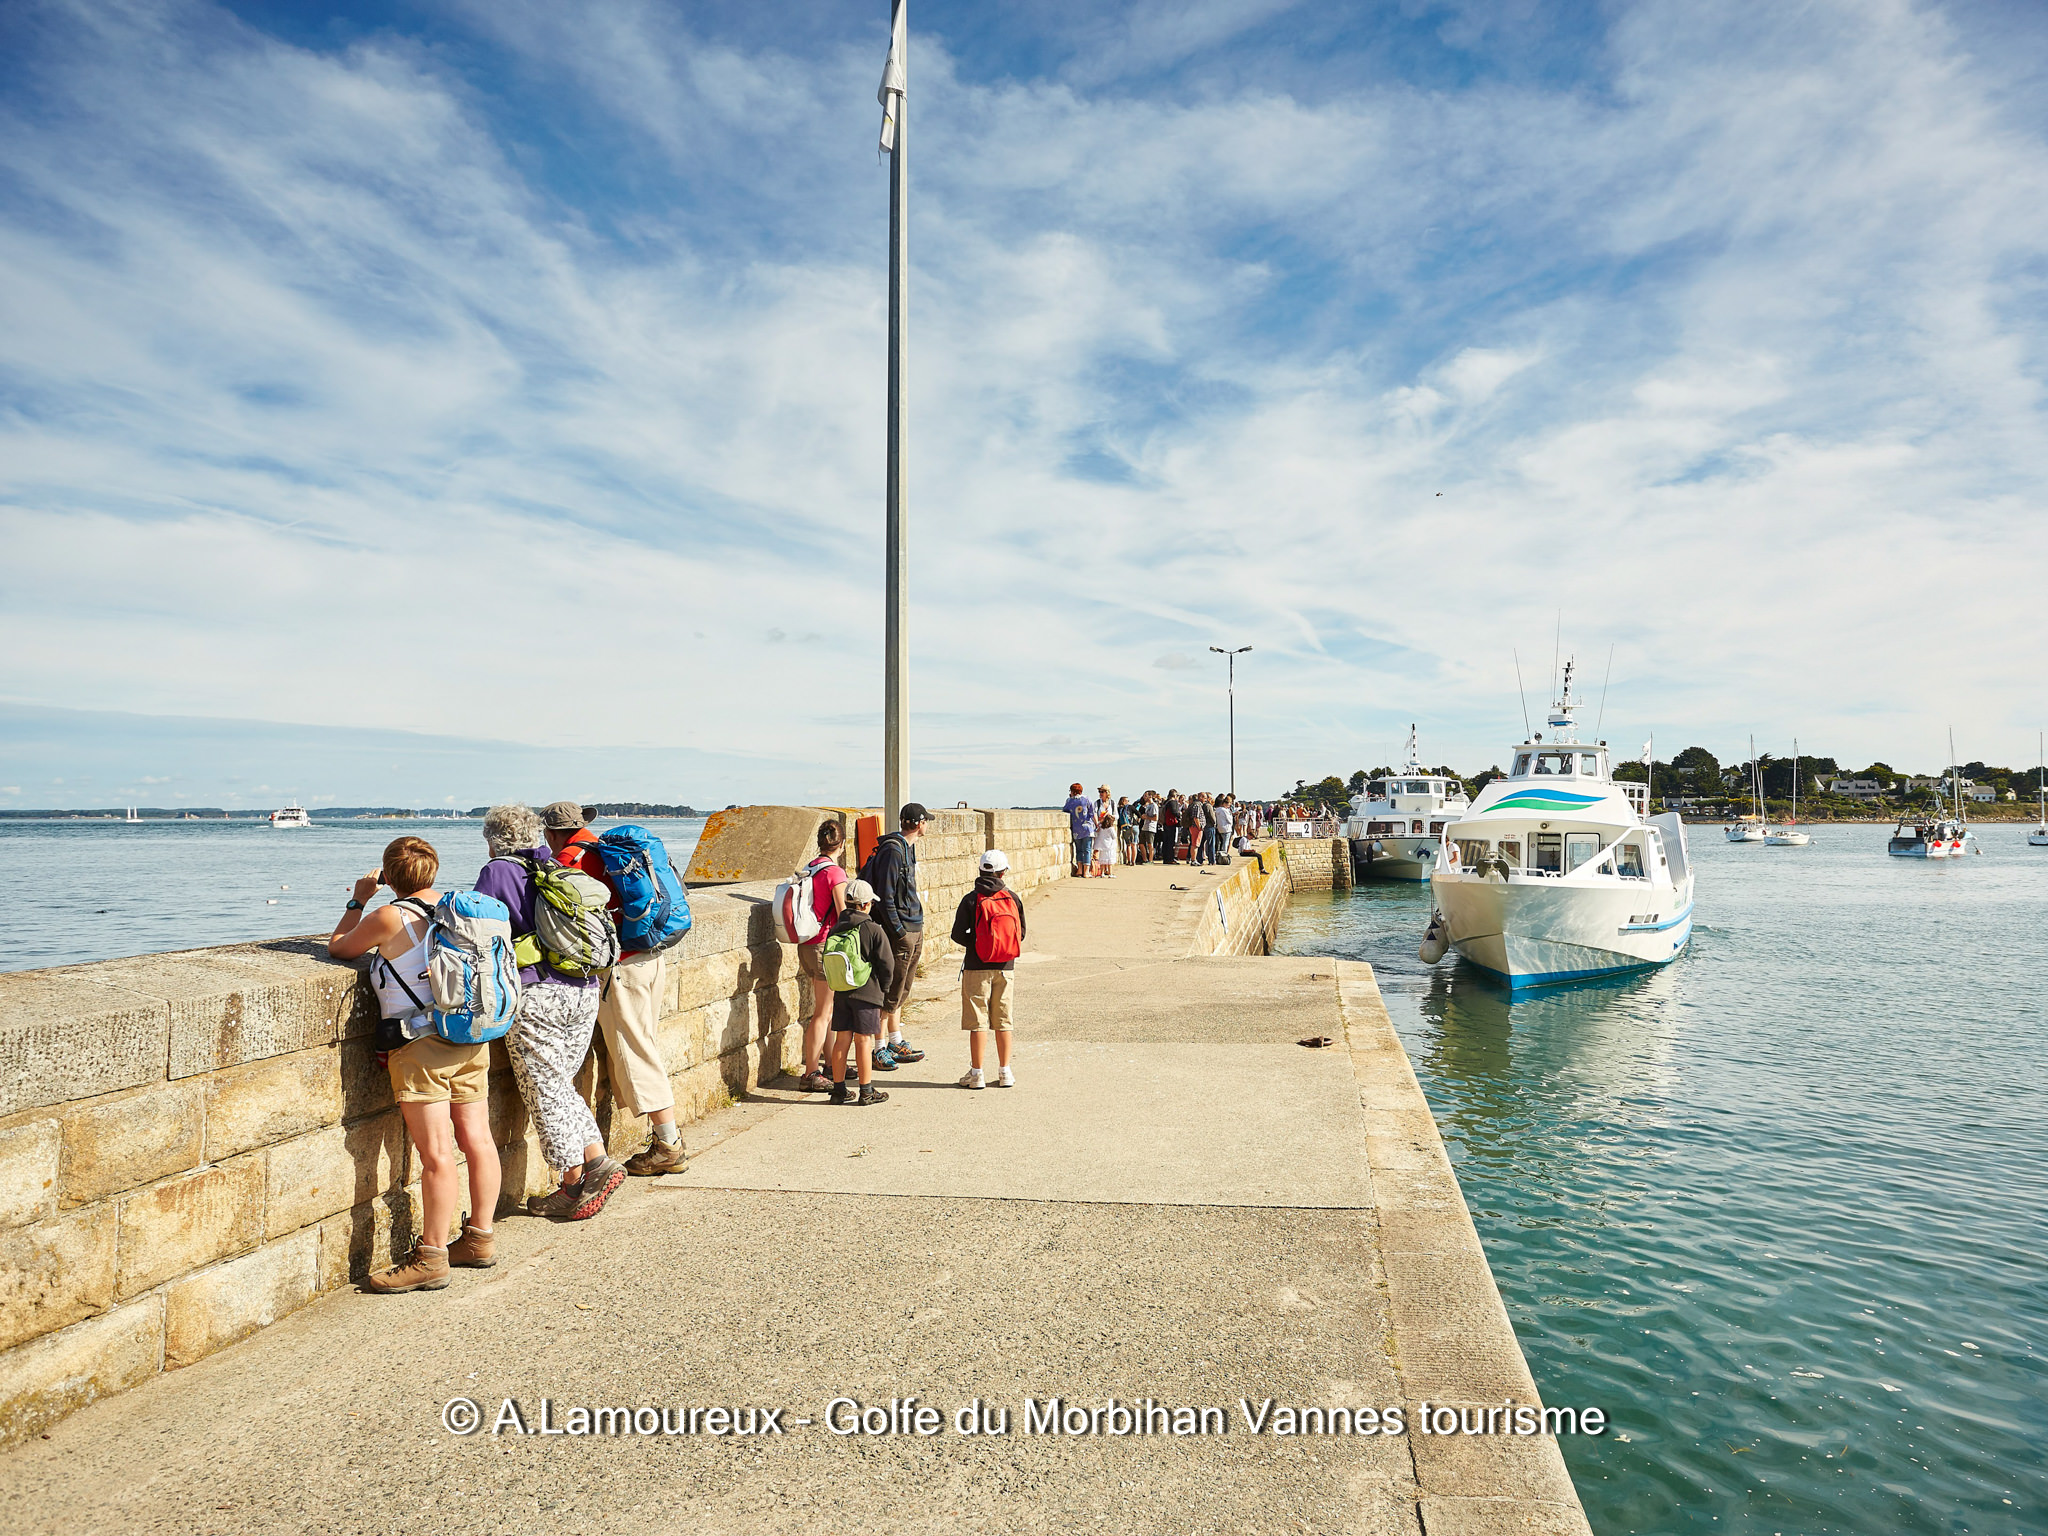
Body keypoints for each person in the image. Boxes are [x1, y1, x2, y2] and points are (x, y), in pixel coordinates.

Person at [328, 836, 501, 1292]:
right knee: (478, 1140)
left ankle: (431, 1257)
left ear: (390, 878)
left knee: (436, 1155)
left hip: (420, 1046)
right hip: (469, 1035)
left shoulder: (389, 915)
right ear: (433, 870)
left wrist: (357, 900)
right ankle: (479, 1239)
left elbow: (341, 948)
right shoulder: (461, 908)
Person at [474, 804, 624, 1221]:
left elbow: (481, 931)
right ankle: (595, 1162)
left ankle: (574, 1182)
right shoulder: (552, 862)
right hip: (583, 987)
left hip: (537, 992)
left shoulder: (497, 872)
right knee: (561, 1083)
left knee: (547, 1088)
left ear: (493, 838)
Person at [540, 802, 685, 1177]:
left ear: (551, 833)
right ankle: (667, 1139)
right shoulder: (608, 850)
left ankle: (668, 1144)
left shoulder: (570, 861)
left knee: (636, 1051)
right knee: (644, 1043)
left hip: (621, 968)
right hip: (652, 956)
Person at [860, 803, 929, 1068]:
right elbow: (885, 895)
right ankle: (879, 1048)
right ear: (919, 823)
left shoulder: (906, 848)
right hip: (901, 931)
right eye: (926, 821)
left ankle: (895, 1039)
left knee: (902, 988)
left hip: (913, 927)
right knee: (888, 990)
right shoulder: (893, 850)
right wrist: (898, 931)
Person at [952, 849, 1024, 1089]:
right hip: (1006, 967)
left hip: (976, 966)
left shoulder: (971, 899)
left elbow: (957, 935)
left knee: (978, 1021)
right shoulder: (1012, 898)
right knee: (1003, 1020)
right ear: (1003, 872)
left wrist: (979, 943)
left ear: (981, 870)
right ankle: (1005, 1072)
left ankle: (977, 1073)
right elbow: (1021, 932)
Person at [792, 820, 851, 1092]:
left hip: (807, 943)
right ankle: (810, 1072)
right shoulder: (835, 874)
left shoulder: (812, 868)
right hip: (824, 946)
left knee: (827, 1011)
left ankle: (830, 1065)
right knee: (823, 1012)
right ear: (842, 844)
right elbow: (843, 914)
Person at [825, 879, 895, 1105]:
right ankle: (866, 1091)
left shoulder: (836, 928)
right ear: (865, 904)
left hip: (841, 991)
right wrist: (884, 992)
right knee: (863, 1041)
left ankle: (838, 1091)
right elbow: (887, 965)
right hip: (867, 992)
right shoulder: (873, 929)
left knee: (841, 1040)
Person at [1063, 782, 1095, 877]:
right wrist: (1097, 825)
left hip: (1076, 829)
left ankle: (1079, 870)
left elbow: (1065, 810)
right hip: (1087, 828)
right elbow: (1092, 813)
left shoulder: (1069, 801)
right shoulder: (1086, 799)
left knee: (1079, 850)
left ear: (1072, 791)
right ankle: (1086, 872)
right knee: (1087, 850)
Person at [1090, 786, 1116, 877]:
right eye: (1100, 791)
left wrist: (1109, 816)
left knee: (1107, 850)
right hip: (1100, 828)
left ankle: (1106, 870)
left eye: (1102, 791)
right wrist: (1097, 823)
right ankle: (1098, 869)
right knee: (1097, 849)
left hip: (1108, 827)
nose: (1100, 793)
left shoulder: (1112, 803)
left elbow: (1116, 816)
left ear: (1107, 793)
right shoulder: (1097, 803)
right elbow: (1094, 814)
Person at [1213, 795, 1235, 864]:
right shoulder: (1225, 811)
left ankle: (1219, 855)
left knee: (1220, 842)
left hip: (1220, 828)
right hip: (1227, 828)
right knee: (1225, 843)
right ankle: (1224, 856)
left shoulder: (1217, 810)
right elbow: (1229, 820)